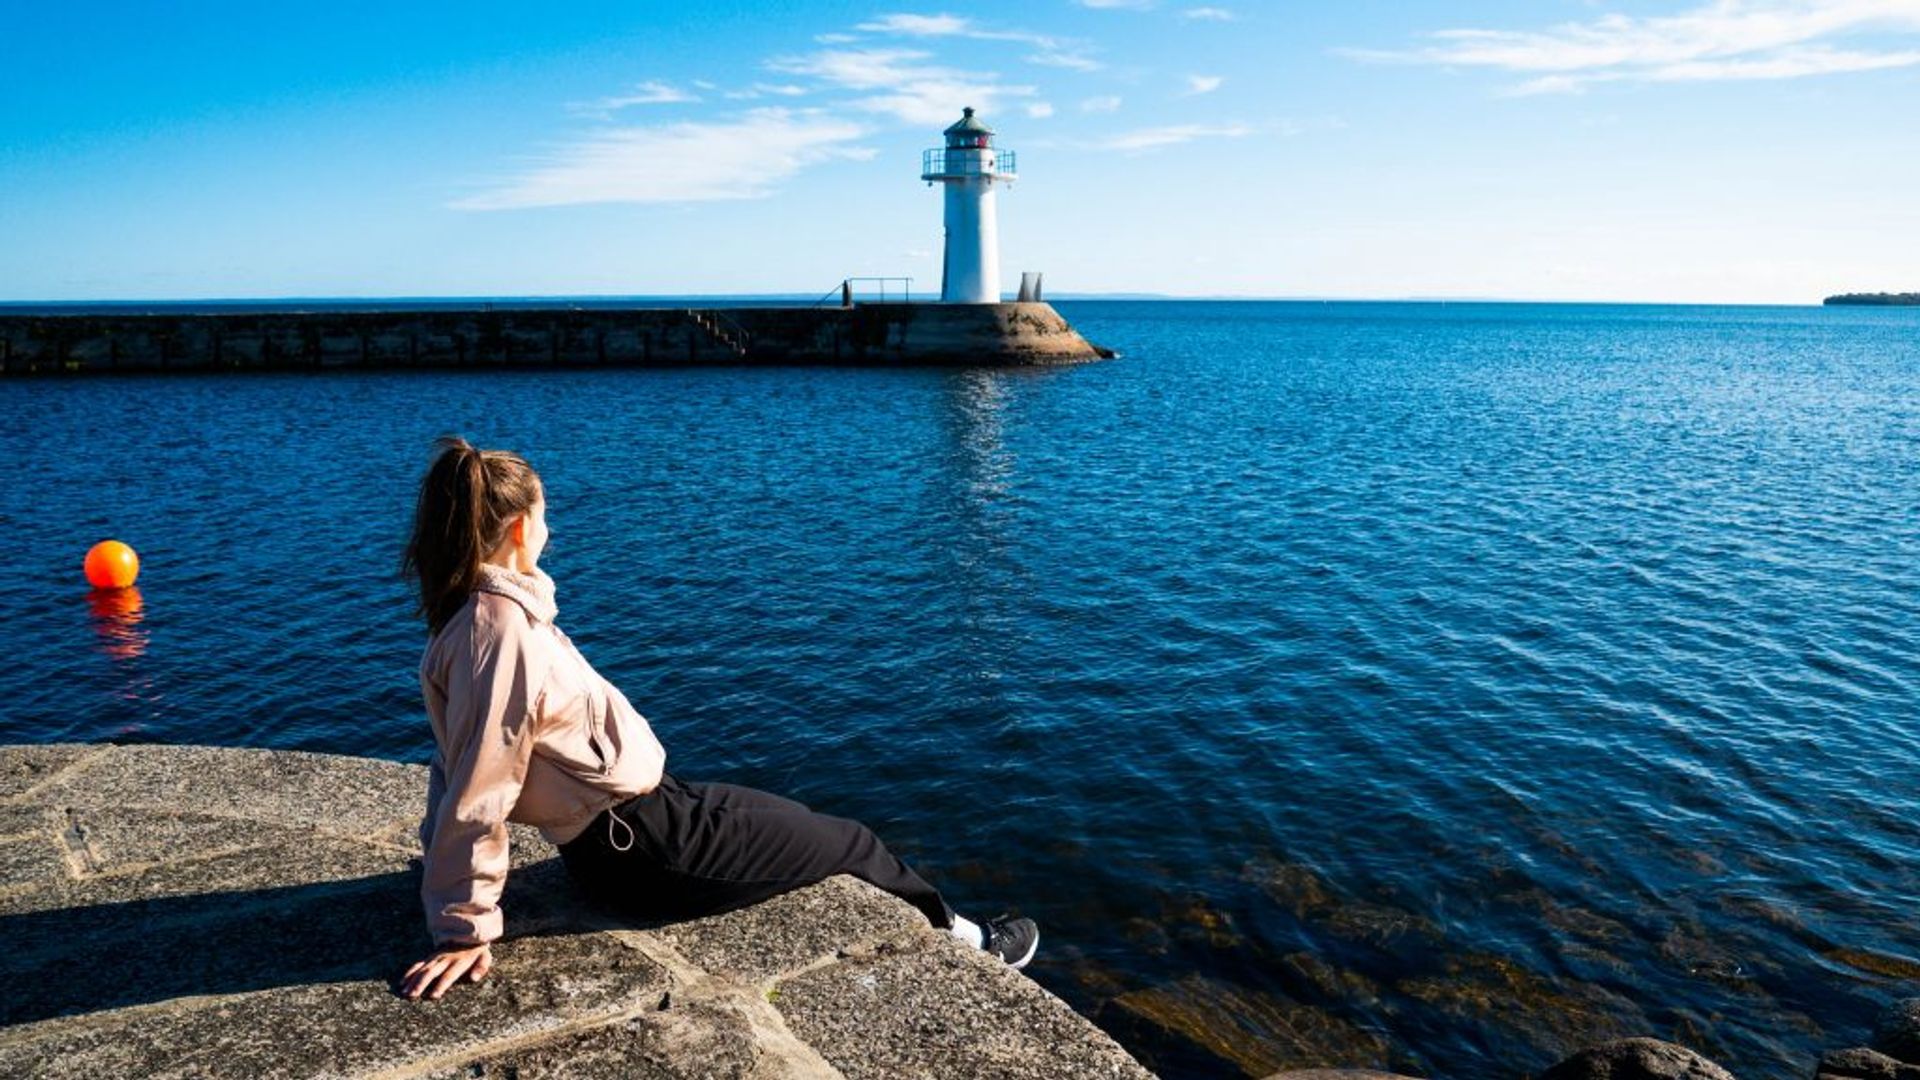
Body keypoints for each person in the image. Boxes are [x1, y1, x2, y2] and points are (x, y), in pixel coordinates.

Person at [397, 437, 1037, 1001]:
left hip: (650, 817)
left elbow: (452, 761)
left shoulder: (479, 618)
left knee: (812, 824)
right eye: (544, 516)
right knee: (854, 843)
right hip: (640, 850)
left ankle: (956, 926)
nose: (549, 530)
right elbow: (479, 781)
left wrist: (438, 867)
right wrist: (462, 925)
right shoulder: (499, 632)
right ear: (516, 528)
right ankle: (973, 941)